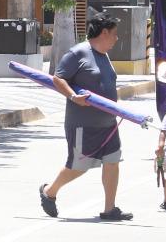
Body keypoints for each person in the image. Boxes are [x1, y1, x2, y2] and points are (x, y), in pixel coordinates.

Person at [38, 14, 131, 222]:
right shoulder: (77, 53)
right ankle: (49, 192)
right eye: (114, 34)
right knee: (79, 167)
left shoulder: (104, 55)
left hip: (109, 123)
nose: (116, 39)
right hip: (83, 124)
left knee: (112, 162)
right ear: (104, 32)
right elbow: (58, 78)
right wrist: (73, 96)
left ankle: (110, 209)